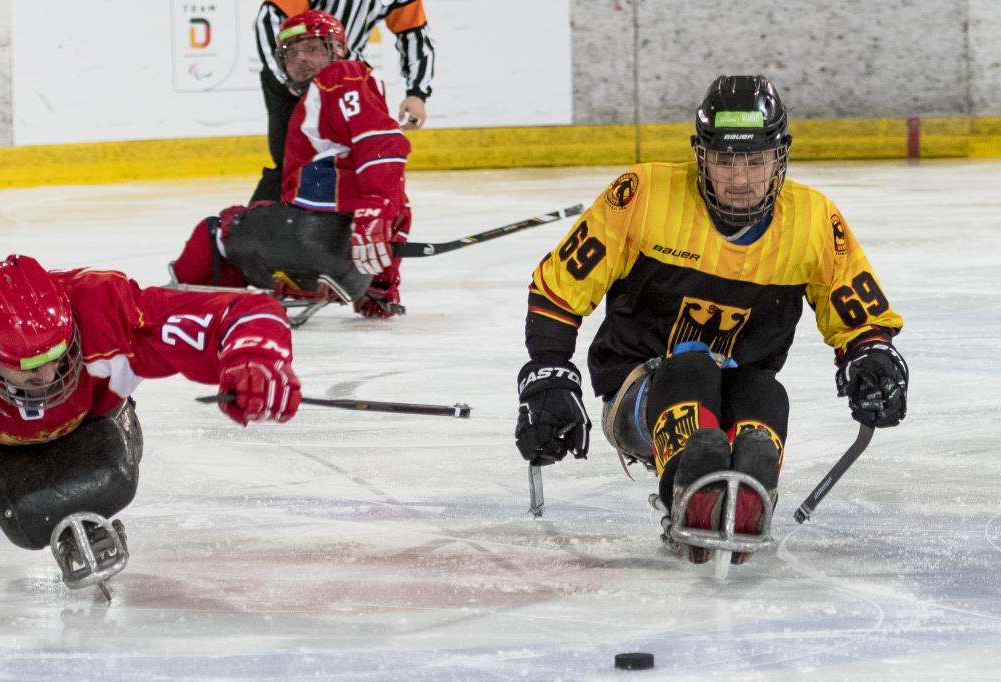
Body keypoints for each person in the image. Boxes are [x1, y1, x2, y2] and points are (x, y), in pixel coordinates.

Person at [514, 75, 908, 566]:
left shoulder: (811, 221)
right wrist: (549, 372)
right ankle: (693, 491)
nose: (740, 180)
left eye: (755, 161)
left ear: (779, 158)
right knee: (692, 369)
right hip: (639, 394)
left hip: (740, 388)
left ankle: (743, 500)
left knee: (767, 393)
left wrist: (872, 358)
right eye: (725, 160)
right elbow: (560, 287)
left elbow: (859, 318)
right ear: (701, 155)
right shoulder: (643, 194)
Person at [0, 255, 301, 616]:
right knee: (30, 514)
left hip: (100, 422)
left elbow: (243, 313)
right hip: (8, 452)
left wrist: (255, 360)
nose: (47, 379)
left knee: (106, 478)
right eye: (25, 369)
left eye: (56, 357)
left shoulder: (107, 306)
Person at [174, 9, 412, 319]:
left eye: (312, 48)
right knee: (266, 212)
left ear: (337, 49)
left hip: (311, 239)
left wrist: (373, 206)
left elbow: (382, 143)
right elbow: (398, 199)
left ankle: (168, 302)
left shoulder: (341, 76)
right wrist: (380, 285)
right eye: (291, 52)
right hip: (349, 268)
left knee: (215, 232)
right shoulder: (330, 96)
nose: (300, 58)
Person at [250, 0, 434, 204]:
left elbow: (413, 32)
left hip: (346, 78)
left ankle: (362, 217)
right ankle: (266, 221)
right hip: (295, 80)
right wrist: (291, 79)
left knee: (363, 151)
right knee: (290, 162)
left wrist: (417, 92)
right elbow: (269, 17)